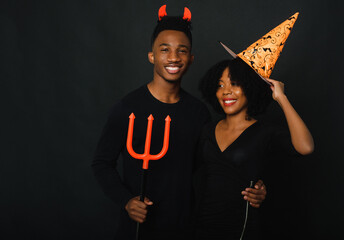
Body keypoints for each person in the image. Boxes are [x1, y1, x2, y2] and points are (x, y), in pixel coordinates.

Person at [92, 6, 266, 240]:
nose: (174, 57)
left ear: (191, 58)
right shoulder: (127, 108)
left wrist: (254, 187)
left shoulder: (198, 113)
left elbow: (213, 167)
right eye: (165, 50)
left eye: (182, 51)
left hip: (186, 228)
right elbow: (102, 163)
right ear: (151, 56)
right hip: (137, 229)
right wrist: (126, 201)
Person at [193, 58, 314, 239]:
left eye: (234, 84)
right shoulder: (207, 130)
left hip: (241, 228)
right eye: (220, 85)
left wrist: (281, 98)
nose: (226, 91)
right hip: (202, 228)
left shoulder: (265, 132)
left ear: (250, 87)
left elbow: (306, 147)